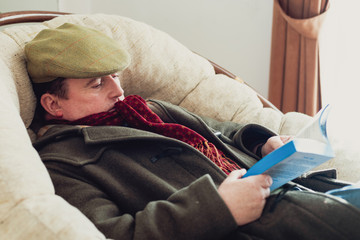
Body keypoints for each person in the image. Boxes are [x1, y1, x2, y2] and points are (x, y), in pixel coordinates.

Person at [27, 23, 360, 240]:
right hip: (257, 224)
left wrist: (263, 143)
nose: (118, 91)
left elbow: (223, 131)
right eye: (97, 83)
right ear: (54, 104)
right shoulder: (64, 161)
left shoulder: (148, 109)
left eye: (116, 76)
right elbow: (113, 234)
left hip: (294, 189)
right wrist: (218, 207)